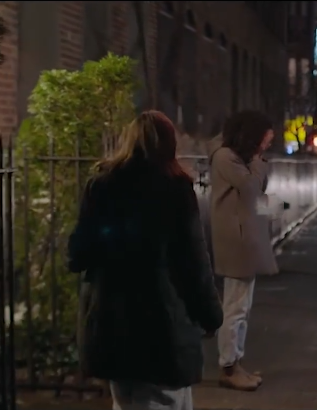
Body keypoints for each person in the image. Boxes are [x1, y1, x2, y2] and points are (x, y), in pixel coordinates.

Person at [68, 110, 223, 410]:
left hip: (112, 323)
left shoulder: (102, 186)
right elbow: (192, 262)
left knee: (125, 400)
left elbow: (77, 254)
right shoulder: (175, 189)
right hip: (161, 326)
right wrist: (210, 315)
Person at [207, 110, 278, 391]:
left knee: (242, 307)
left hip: (243, 236)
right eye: (264, 140)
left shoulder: (239, 159)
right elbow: (250, 188)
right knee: (235, 307)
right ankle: (228, 366)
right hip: (235, 239)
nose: (266, 146)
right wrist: (258, 162)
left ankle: (235, 361)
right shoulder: (226, 157)